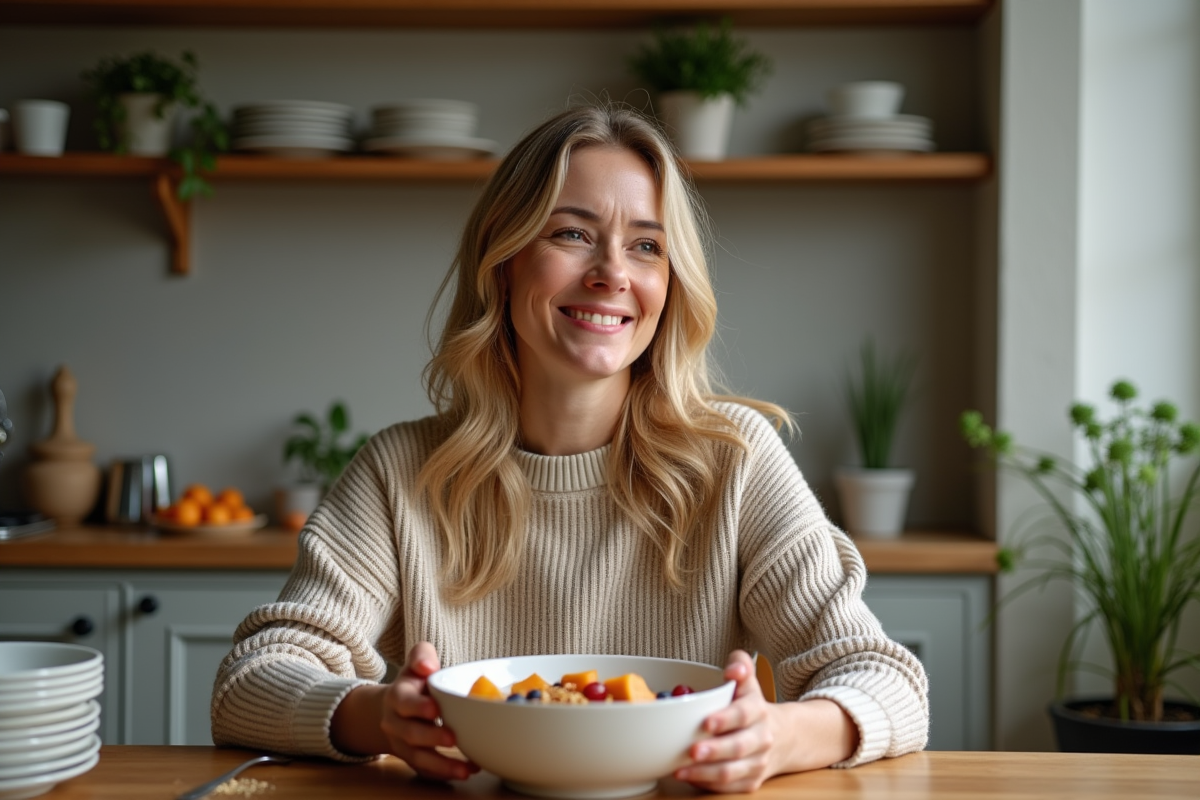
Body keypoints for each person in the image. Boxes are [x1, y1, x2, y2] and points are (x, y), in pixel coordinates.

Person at [211, 103, 929, 794]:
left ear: (670, 285)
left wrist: (774, 737)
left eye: (647, 246)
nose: (613, 273)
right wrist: (381, 720)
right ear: (503, 261)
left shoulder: (736, 462)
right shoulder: (400, 472)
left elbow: (885, 679)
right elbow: (249, 682)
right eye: (572, 234)